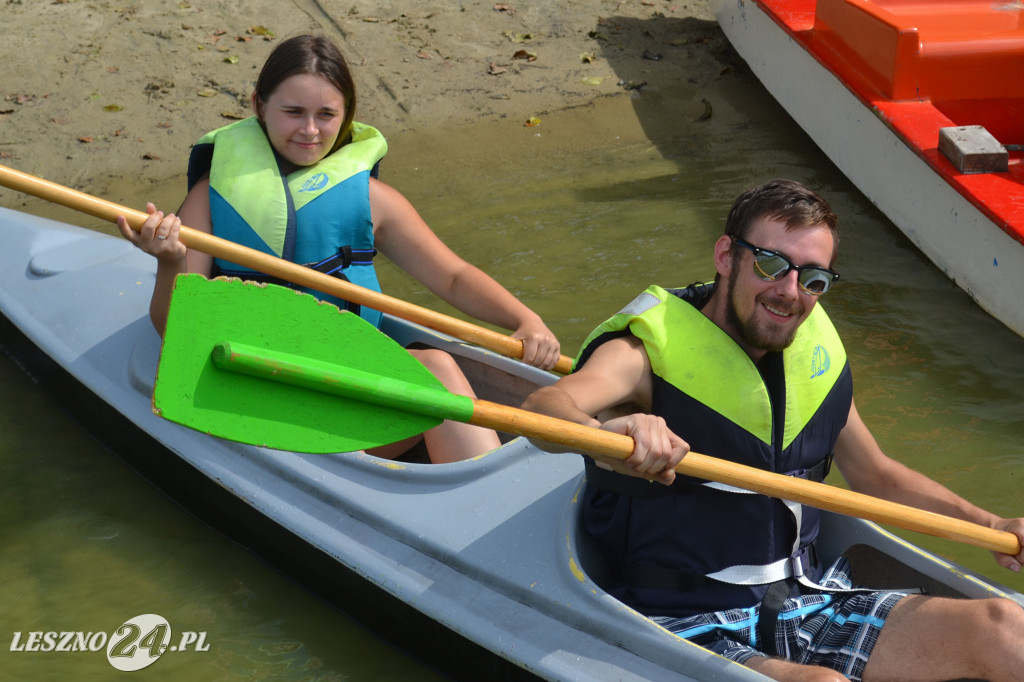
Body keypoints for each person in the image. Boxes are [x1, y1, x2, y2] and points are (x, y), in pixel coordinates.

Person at [521, 179, 1024, 681]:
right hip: (683, 617)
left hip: (805, 599)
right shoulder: (645, 352)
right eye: (770, 265)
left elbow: (877, 476)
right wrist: (613, 429)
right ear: (726, 256)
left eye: (813, 279)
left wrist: (994, 527)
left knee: (1005, 627)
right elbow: (544, 409)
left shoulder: (810, 360)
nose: (789, 292)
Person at [117, 34, 560, 464]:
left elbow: (452, 276)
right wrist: (171, 261)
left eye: (326, 114)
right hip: (256, 379)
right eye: (293, 112)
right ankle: (474, 495)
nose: (309, 130)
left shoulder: (369, 199)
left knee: (435, 367)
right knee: (438, 370)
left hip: (345, 377)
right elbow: (173, 326)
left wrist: (524, 319)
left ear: (347, 116)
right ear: (259, 106)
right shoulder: (210, 198)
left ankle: (469, 481)